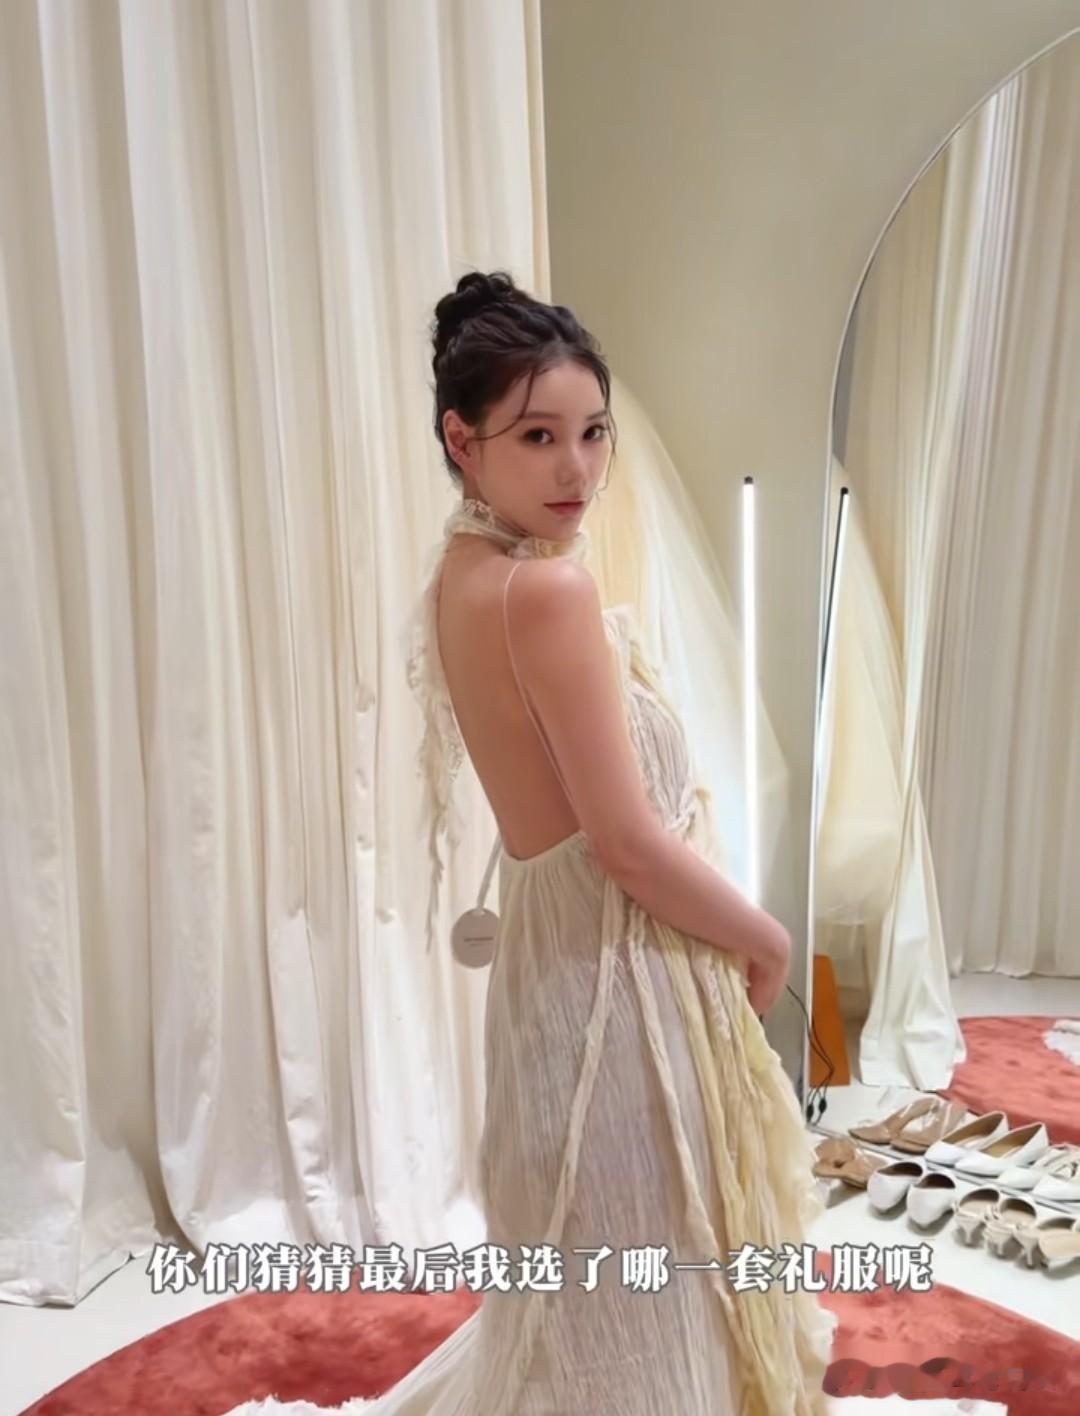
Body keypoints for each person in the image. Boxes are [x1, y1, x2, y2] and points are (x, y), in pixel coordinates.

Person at [248, 270, 837, 1414]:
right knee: (645, 1273)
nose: (577, 469)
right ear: (461, 442)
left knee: (593, 1279)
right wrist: (766, 937)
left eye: (593, 432)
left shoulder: (464, 575)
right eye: (538, 437)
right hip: (619, 989)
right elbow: (626, 844)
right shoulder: (544, 595)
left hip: (551, 981)